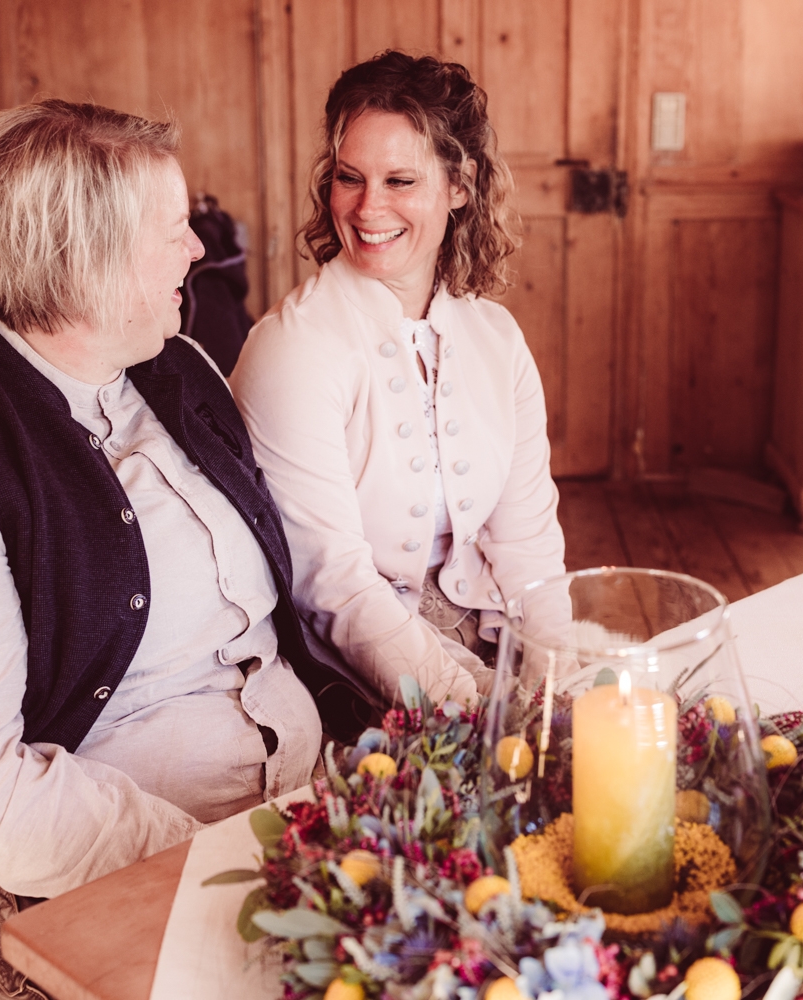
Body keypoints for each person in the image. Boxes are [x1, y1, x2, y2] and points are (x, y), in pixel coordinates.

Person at [0, 100, 347, 1000]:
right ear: (80, 259)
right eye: (173, 231)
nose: (197, 252)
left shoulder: (175, 366)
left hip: (281, 819)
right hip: (33, 875)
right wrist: (212, 865)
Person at [229, 51, 567, 710]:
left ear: (460, 184)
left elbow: (527, 548)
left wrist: (560, 677)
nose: (367, 208)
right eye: (349, 178)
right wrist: (469, 709)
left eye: (400, 180)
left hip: (490, 631)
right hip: (358, 664)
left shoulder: (496, 338)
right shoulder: (292, 349)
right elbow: (335, 590)